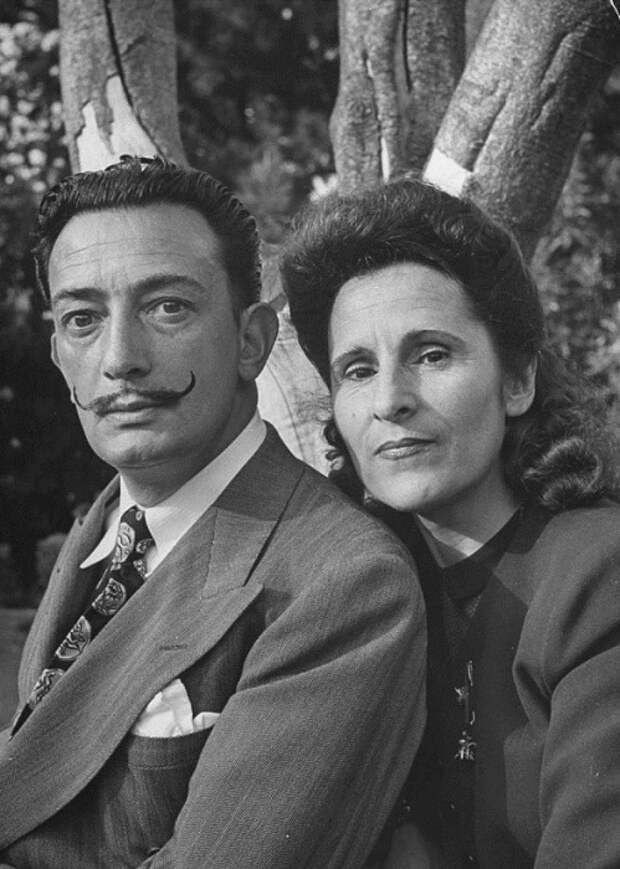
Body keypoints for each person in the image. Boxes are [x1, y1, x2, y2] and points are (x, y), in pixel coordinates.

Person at [0, 157, 427, 869]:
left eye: (167, 307)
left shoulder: (345, 580)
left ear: (251, 341)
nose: (120, 358)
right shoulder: (107, 525)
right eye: (82, 319)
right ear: (58, 354)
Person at [280, 178, 620, 869]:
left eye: (431, 354)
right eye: (357, 369)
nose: (390, 400)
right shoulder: (353, 586)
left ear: (517, 380)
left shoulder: (596, 573)